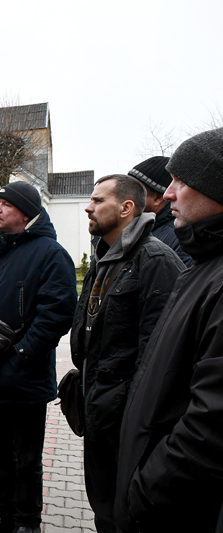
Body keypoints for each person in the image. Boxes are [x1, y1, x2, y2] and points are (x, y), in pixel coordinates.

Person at [116, 127, 223, 532]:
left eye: (183, 181)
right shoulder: (203, 265)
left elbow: (209, 428)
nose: (170, 194)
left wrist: (145, 492)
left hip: (168, 507)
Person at [0, 181, 77, 533]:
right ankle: (3, 513)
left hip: (25, 377)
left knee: (27, 458)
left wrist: (19, 357)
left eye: (5, 204)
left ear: (25, 213)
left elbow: (57, 314)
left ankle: (28, 522)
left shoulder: (50, 253)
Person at [71, 174, 184, 533]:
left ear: (126, 208)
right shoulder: (105, 256)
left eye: (98, 200)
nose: (88, 207)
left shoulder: (155, 261)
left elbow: (156, 356)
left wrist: (125, 408)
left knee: (125, 513)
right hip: (99, 414)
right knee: (103, 506)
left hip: (126, 423)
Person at [127, 156, 193, 266]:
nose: (124, 196)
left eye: (134, 191)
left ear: (157, 199)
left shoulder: (180, 239)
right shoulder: (136, 229)